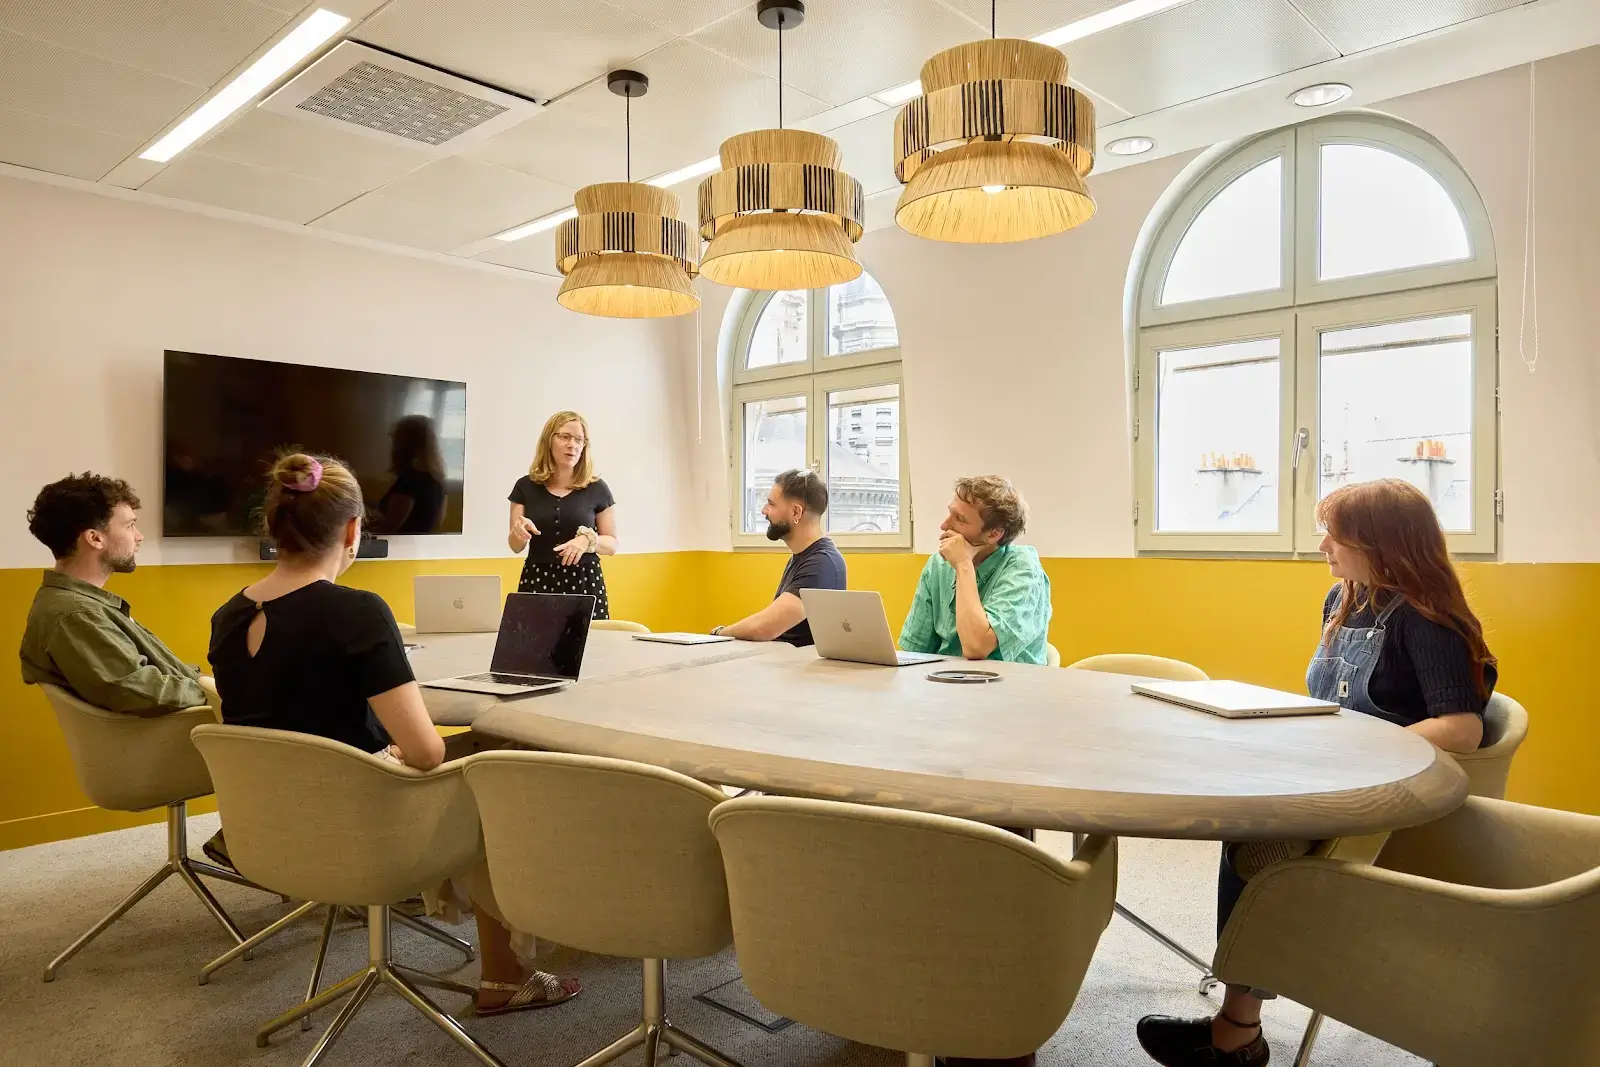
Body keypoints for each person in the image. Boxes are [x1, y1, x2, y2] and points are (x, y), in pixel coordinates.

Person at [1136, 479, 1497, 1067]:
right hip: (1334, 770)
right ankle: (1238, 1020)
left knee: (1257, 838)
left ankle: (1236, 1031)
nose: (1323, 545)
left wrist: (1354, 748)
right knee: (1239, 806)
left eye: (1336, 535)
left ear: (1382, 544)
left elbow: (1461, 729)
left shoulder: (1428, 619)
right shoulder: (1344, 599)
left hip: (1385, 794)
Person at [209, 452, 581, 1015]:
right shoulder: (357, 613)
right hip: (365, 826)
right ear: (353, 531)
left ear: (274, 525)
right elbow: (426, 753)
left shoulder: (228, 616)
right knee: (497, 766)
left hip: (269, 828)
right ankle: (506, 976)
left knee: (472, 750)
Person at [20, 473, 210, 714]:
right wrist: (221, 694)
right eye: (129, 526)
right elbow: (139, 689)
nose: (139, 536)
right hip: (184, 731)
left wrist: (210, 684)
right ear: (95, 538)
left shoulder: (76, 605)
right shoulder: (77, 615)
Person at [899, 476, 1052, 665]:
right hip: (947, 680)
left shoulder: (1024, 569)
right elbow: (914, 651)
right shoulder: (938, 565)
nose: (944, 526)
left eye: (959, 519)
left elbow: (976, 646)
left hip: (1009, 681)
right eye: (950, 513)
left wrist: (964, 565)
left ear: (993, 534)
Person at [711, 469, 846, 645]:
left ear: (796, 512)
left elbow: (763, 628)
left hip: (797, 662)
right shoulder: (804, 557)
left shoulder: (821, 564)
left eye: (771, 504)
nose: (764, 511)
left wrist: (719, 633)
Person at [507, 411, 617, 619]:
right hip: (537, 582)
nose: (572, 445)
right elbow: (515, 546)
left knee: (591, 640)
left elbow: (611, 544)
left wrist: (587, 540)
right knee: (534, 639)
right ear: (549, 440)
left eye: (579, 440)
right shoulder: (525, 486)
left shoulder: (597, 488)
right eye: (565, 437)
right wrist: (518, 532)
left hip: (585, 584)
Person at [372, 414, 446, 534]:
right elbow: (437, 523)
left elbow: (388, 528)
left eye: (395, 439)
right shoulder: (436, 479)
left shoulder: (410, 479)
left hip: (398, 545)